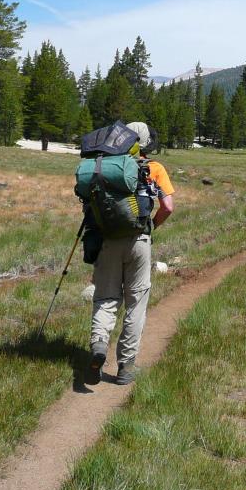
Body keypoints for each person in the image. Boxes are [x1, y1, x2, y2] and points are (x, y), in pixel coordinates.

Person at [85, 122, 174, 385]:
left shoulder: (104, 167)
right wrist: (151, 226)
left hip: (108, 240)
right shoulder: (153, 168)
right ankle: (126, 366)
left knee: (105, 298)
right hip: (139, 241)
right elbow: (168, 206)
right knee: (136, 302)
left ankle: (99, 344)